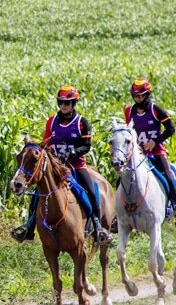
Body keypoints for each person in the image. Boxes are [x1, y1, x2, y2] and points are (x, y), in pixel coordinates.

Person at [12, 85, 112, 245]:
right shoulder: (52, 121)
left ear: (73, 104)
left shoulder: (82, 122)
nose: (63, 106)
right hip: (55, 167)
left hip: (76, 166)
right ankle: (29, 227)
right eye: (61, 102)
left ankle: (98, 227)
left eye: (67, 103)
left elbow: (86, 146)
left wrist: (72, 153)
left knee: (91, 192)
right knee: (38, 194)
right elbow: (45, 143)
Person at [124, 77, 176, 231]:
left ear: (147, 95)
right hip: (137, 153)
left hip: (156, 151)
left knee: (168, 175)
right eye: (136, 96)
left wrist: (155, 141)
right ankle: (120, 215)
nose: (138, 99)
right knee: (123, 178)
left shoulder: (156, 110)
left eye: (141, 96)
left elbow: (171, 129)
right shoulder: (129, 111)